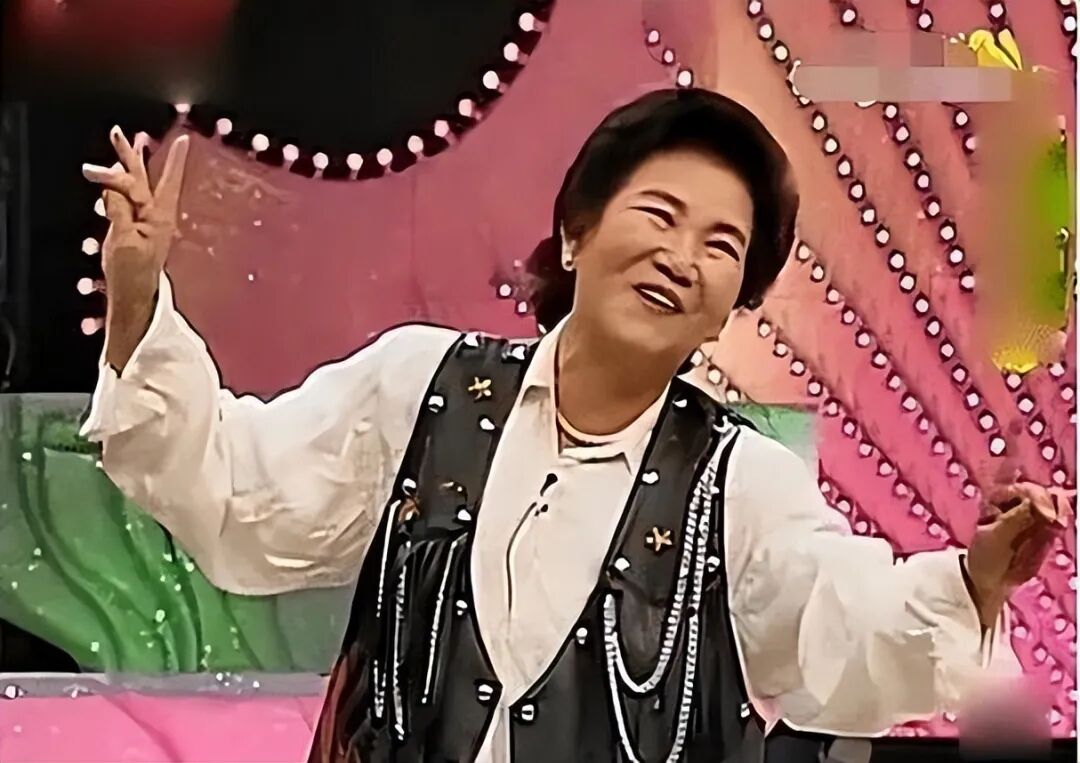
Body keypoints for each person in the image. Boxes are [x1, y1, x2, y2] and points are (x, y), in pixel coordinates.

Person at [80, 88, 1063, 763]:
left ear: (729, 309)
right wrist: (137, 303)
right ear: (576, 231)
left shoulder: (742, 484)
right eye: (659, 215)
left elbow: (841, 630)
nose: (681, 256)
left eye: (720, 245)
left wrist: (973, 580)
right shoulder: (421, 383)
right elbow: (240, 493)